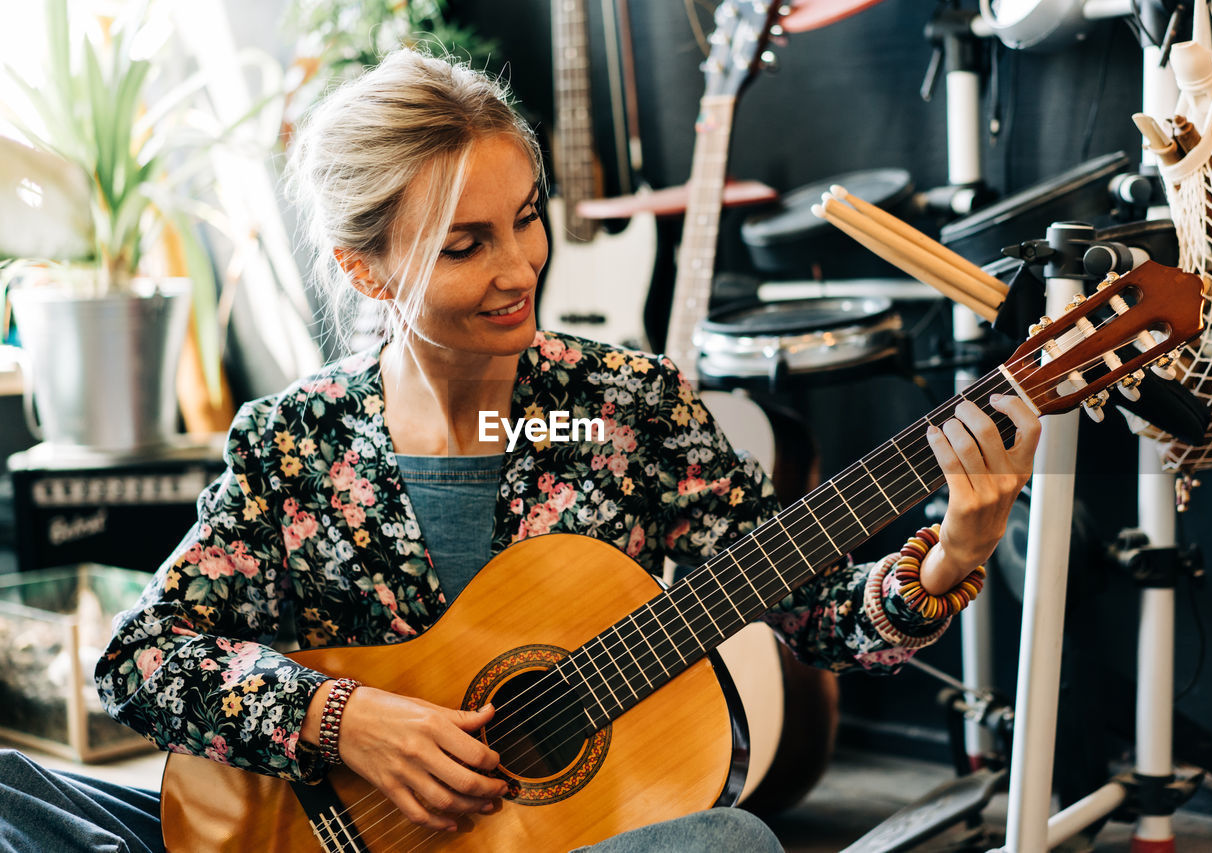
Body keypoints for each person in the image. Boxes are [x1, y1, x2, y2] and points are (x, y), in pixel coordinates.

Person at [4, 50, 1039, 853]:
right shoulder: (296, 443)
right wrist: (345, 719)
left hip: (569, 835)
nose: (518, 268)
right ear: (366, 272)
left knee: (729, 840)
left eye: (526, 220)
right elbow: (140, 660)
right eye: (464, 244)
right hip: (332, 828)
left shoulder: (624, 405)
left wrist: (946, 555)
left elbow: (808, 609)